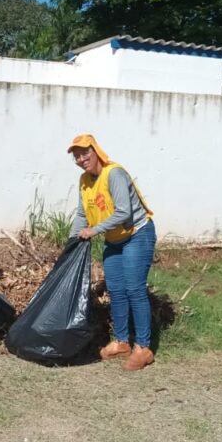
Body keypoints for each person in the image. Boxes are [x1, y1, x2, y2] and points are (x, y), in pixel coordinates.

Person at [67, 134, 157, 371]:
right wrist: (70, 241)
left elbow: (124, 213)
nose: (81, 159)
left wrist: (93, 231)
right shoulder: (84, 181)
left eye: (85, 152)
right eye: (76, 156)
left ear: (96, 151)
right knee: (116, 290)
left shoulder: (113, 173)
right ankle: (121, 341)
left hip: (137, 234)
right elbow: (82, 215)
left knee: (134, 289)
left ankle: (143, 348)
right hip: (114, 239)